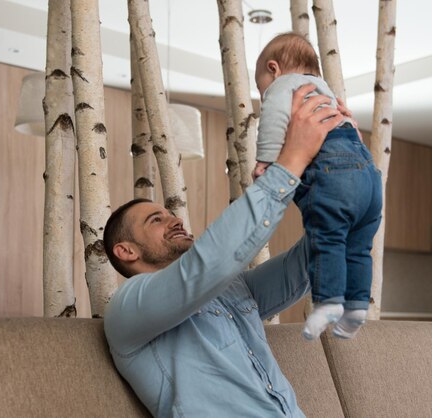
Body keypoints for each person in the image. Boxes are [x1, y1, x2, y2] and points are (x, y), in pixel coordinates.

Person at [103, 84, 345, 417]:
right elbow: (209, 264)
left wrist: (340, 180)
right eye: (156, 219)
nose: (175, 220)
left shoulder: (229, 289)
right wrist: (291, 161)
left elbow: (306, 266)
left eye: (171, 213)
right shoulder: (127, 306)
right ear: (126, 250)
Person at [253, 32, 383, 341]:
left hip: (334, 169)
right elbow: (347, 127)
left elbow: (272, 120)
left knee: (327, 236)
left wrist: (266, 161)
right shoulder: (325, 93)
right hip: (368, 177)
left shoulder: (286, 85)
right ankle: (356, 307)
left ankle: (328, 303)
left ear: (274, 69)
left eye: (262, 89)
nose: (265, 95)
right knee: (359, 248)